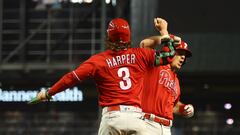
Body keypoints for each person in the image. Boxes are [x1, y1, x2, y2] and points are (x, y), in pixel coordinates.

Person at [29, 18, 176, 135]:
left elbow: (71, 78)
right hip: (136, 119)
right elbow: (169, 56)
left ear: (109, 37)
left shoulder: (98, 61)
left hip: (112, 119)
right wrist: (164, 31)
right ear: (129, 36)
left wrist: (48, 93)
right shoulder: (141, 55)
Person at [140, 17, 194, 135]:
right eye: (180, 53)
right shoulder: (156, 64)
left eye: (184, 55)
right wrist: (166, 35)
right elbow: (144, 44)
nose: (183, 57)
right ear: (171, 51)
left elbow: (173, 106)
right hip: (147, 123)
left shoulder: (176, 81)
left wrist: (184, 108)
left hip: (166, 128)